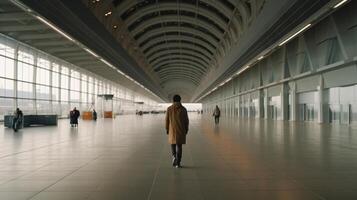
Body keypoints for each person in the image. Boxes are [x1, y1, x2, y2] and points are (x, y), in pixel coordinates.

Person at [165, 94, 189, 168]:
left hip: (172, 130)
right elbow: (186, 121)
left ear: (173, 100)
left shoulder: (169, 109)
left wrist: (167, 129)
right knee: (179, 146)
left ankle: (174, 156)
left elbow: (167, 120)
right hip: (181, 130)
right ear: (180, 100)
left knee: (172, 144)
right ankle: (178, 163)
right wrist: (186, 129)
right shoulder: (183, 109)